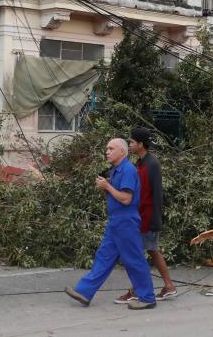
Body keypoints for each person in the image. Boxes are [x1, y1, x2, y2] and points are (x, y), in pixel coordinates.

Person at [65, 138, 157, 310]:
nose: (107, 151)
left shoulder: (128, 170)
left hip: (126, 221)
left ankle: (147, 297)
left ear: (122, 152)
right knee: (104, 258)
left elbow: (126, 198)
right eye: (106, 148)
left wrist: (107, 187)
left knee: (134, 260)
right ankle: (84, 292)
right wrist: (105, 188)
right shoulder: (115, 170)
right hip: (116, 221)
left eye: (111, 148)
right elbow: (115, 196)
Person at [115, 127, 177, 304]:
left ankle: (137, 290)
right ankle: (168, 286)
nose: (130, 145)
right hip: (140, 216)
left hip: (147, 217)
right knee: (150, 251)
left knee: (138, 254)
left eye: (132, 142)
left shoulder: (152, 164)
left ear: (141, 144)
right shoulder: (140, 163)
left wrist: (154, 220)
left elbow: (156, 195)